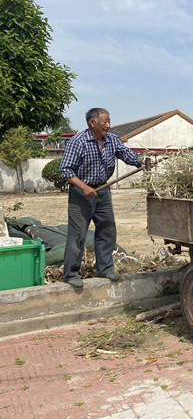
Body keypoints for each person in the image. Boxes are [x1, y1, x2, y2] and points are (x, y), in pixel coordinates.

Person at [59, 108, 145, 288]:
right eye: (105, 122)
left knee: (107, 230)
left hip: (103, 191)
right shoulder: (78, 141)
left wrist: (141, 160)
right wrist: (84, 187)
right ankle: (71, 274)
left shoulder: (112, 140)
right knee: (78, 234)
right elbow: (65, 170)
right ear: (93, 123)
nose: (108, 125)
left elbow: (127, 154)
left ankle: (104, 269)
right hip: (81, 193)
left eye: (109, 122)